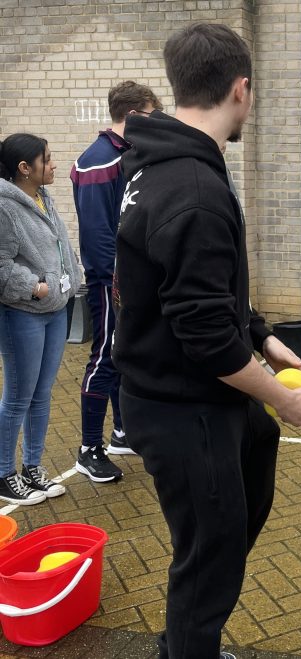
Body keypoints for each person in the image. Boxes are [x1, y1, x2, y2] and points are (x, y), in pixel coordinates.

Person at [112, 23, 301, 659]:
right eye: (253, 91)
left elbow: (197, 287)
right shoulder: (194, 189)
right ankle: (189, 646)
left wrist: (261, 336)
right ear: (241, 89)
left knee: (232, 511)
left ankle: (190, 633)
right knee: (209, 562)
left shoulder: (161, 167)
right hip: (185, 406)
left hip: (204, 398)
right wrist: (286, 399)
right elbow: (205, 334)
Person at [71, 81, 163, 484]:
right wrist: (115, 278)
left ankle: (123, 431)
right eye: (151, 115)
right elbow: (97, 233)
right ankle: (89, 450)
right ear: (132, 116)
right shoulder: (98, 160)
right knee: (105, 355)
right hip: (108, 279)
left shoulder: (126, 155)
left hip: (127, 276)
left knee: (123, 352)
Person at [0, 134, 81, 505]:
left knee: (42, 395)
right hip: (24, 314)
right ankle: (4, 473)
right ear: (24, 168)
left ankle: (33, 469)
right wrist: (36, 287)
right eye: (46, 160)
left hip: (55, 311)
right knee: (18, 396)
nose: (52, 165)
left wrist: (71, 276)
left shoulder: (42, 197)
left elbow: (59, 245)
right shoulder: (5, 206)